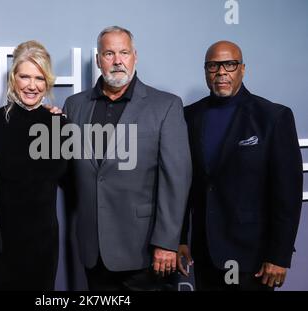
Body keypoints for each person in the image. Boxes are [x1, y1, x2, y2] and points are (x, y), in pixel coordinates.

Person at [63, 26, 192, 290]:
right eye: (109, 53)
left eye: (124, 52)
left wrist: (167, 242)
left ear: (135, 56)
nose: (117, 60)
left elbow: (176, 180)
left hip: (145, 252)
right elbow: (70, 172)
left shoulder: (165, 105)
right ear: (99, 60)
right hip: (94, 251)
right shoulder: (74, 106)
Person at [177, 41, 303, 290]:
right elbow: (183, 184)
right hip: (205, 254)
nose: (221, 72)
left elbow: (287, 194)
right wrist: (180, 238)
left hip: (254, 258)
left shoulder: (273, 117)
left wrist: (278, 256)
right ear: (205, 71)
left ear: (242, 69)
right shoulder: (189, 115)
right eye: (213, 65)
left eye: (229, 64)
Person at [0, 41, 67, 291]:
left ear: (48, 82)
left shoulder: (61, 127)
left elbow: (76, 181)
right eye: (25, 77)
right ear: (13, 78)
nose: (32, 86)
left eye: (39, 78)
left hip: (42, 244)